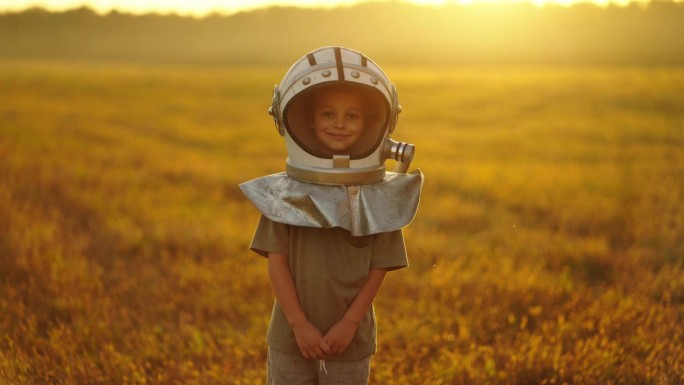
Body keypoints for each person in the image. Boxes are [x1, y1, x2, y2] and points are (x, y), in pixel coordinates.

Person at [241, 46, 422, 385]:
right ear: (304, 120)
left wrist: (349, 324)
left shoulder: (379, 195)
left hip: (349, 339)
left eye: (352, 116)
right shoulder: (284, 194)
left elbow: (378, 268)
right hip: (290, 335)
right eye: (328, 115)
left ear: (375, 123)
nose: (339, 124)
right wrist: (299, 325)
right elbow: (276, 261)